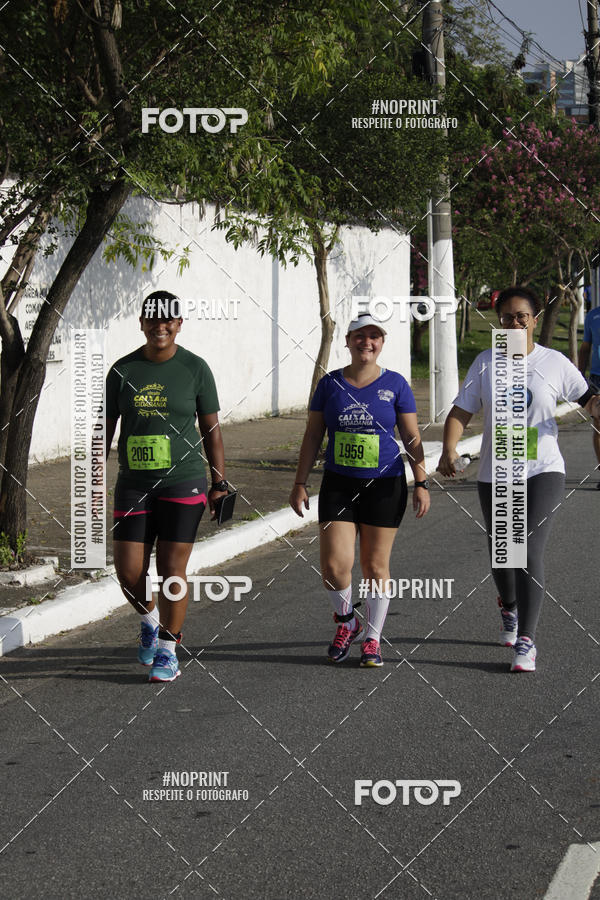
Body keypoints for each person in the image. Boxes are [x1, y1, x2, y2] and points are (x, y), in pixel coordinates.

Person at [438, 286, 600, 672]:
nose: (513, 323)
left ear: (534, 319)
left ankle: (526, 642)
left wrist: (598, 407)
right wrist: (448, 449)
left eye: (521, 316)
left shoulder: (554, 362)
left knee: (527, 548)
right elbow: (461, 411)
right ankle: (508, 607)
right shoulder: (485, 362)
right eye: (506, 317)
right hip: (496, 473)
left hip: (543, 469)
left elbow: (589, 399)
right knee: (503, 555)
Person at [289, 312, 430, 668]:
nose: (367, 342)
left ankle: (372, 638)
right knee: (335, 567)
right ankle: (347, 621)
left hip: (385, 484)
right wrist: (300, 482)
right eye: (359, 336)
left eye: (374, 337)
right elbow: (312, 435)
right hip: (339, 482)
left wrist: (422, 481)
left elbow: (411, 437)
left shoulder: (396, 384)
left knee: (374, 565)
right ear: (348, 341)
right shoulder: (330, 384)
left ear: (381, 343)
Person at [105, 291, 228, 682]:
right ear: (141, 323)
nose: (161, 325)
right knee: (128, 572)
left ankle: (169, 648)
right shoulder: (122, 370)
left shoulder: (195, 368)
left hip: (183, 480)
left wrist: (219, 482)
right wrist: (92, 479)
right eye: (153, 319)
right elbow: (103, 429)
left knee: (172, 569)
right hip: (133, 484)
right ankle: (150, 619)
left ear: (178, 324)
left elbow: (211, 429)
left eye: (168, 319)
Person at [578, 301, 600, 488]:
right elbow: (586, 347)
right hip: (597, 378)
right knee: (599, 425)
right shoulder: (593, 316)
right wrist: (579, 376)